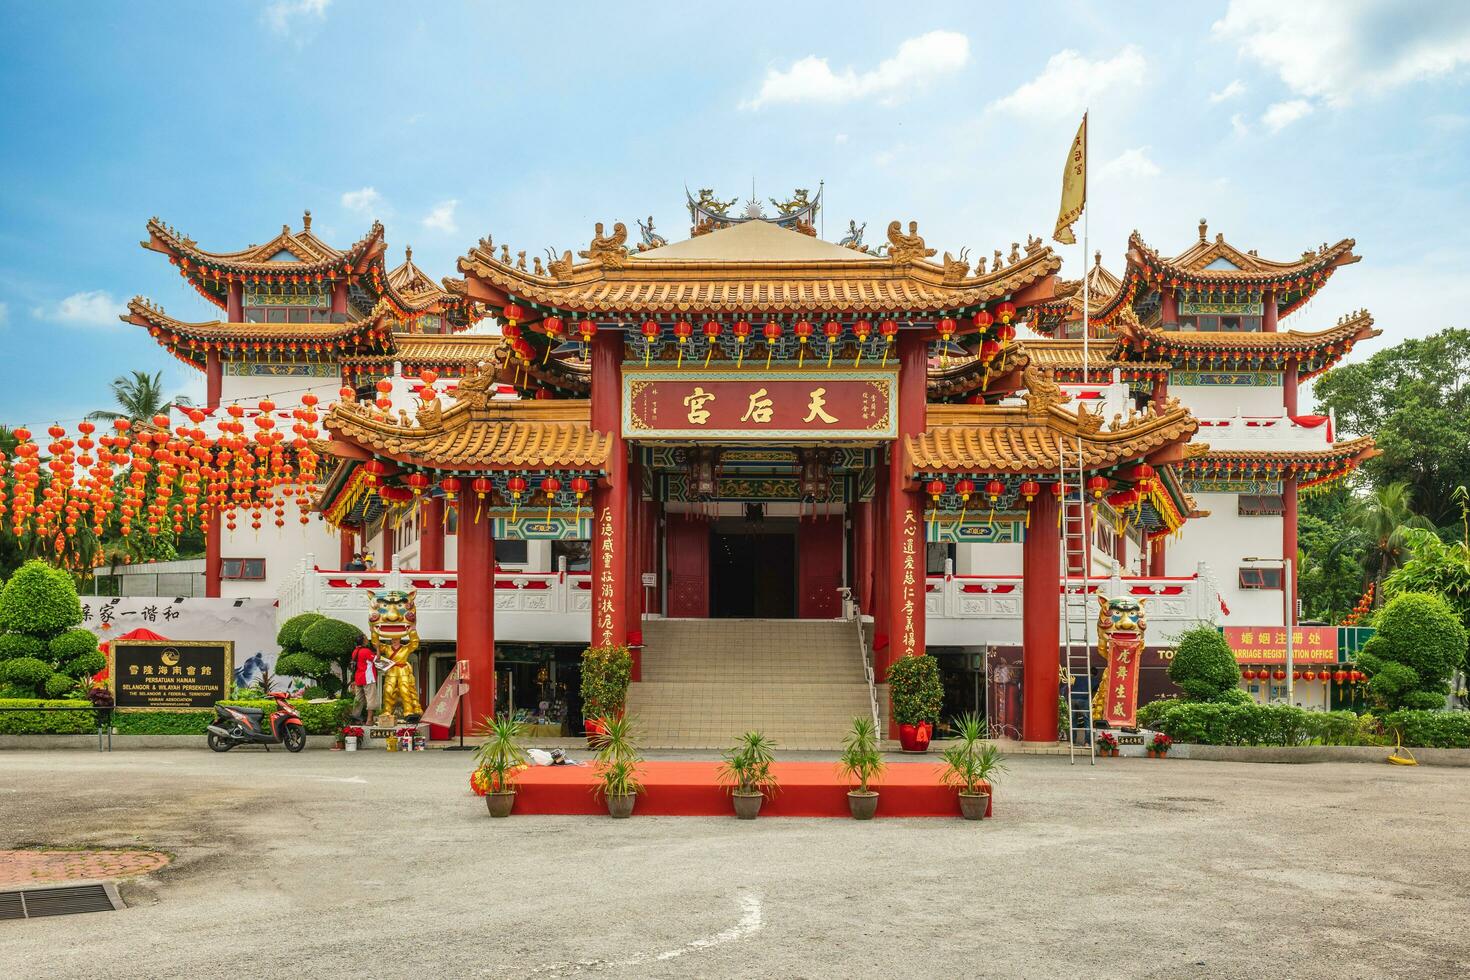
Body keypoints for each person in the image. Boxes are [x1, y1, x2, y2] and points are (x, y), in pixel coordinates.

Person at [350, 636, 380, 724]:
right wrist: (377, 647)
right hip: (368, 678)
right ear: (363, 641)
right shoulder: (366, 651)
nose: (368, 640)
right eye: (366, 639)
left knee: (358, 698)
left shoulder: (355, 651)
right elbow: (377, 659)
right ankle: (369, 720)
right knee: (371, 698)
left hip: (358, 678)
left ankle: (355, 718)